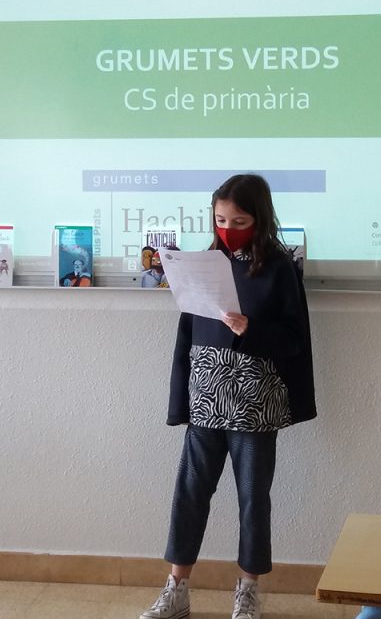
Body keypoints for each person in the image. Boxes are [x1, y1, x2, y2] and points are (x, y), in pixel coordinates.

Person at [139, 173, 316, 619]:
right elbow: (187, 334)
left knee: (253, 496)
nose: (228, 228)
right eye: (220, 220)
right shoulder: (202, 264)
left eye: (239, 221)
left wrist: (251, 330)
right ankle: (176, 588)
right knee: (190, 491)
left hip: (256, 400)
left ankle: (248, 591)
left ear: (260, 218)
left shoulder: (279, 267)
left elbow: (294, 339)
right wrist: (179, 400)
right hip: (206, 394)